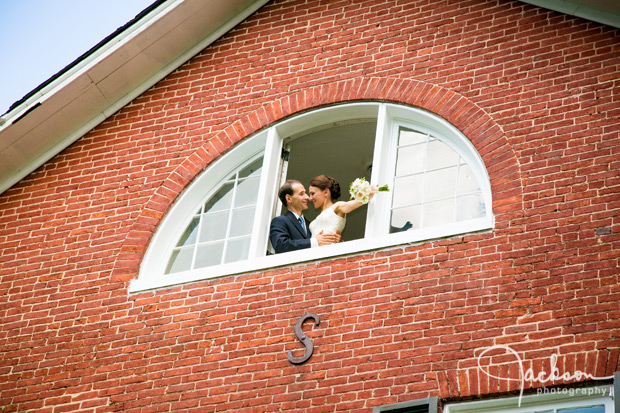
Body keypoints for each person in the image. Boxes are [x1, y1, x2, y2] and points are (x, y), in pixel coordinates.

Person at [269, 179, 341, 254]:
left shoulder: (311, 225)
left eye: (305, 193)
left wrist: (336, 241)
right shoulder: (280, 221)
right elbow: (280, 244)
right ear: (289, 198)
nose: (307, 197)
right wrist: (314, 241)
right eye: (301, 194)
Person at [307, 175, 375, 239]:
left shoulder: (336, 207)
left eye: (313, 194)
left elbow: (350, 204)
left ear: (326, 192)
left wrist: (366, 194)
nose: (310, 198)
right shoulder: (317, 218)